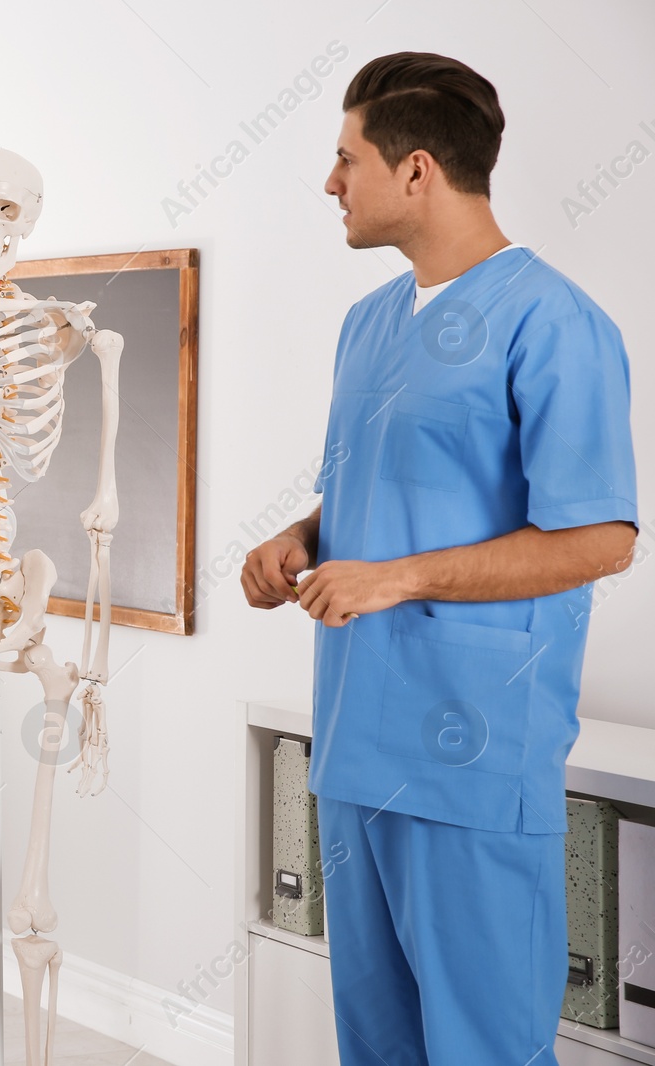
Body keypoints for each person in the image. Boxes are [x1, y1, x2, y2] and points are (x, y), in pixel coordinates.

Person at [242, 53, 638, 1065]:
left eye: (345, 159)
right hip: (353, 744)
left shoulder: (554, 324)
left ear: (415, 171)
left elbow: (599, 537)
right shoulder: (367, 326)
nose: (329, 183)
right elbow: (388, 485)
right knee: (375, 1046)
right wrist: (304, 537)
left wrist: (397, 577)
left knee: (482, 1050)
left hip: (467, 756)